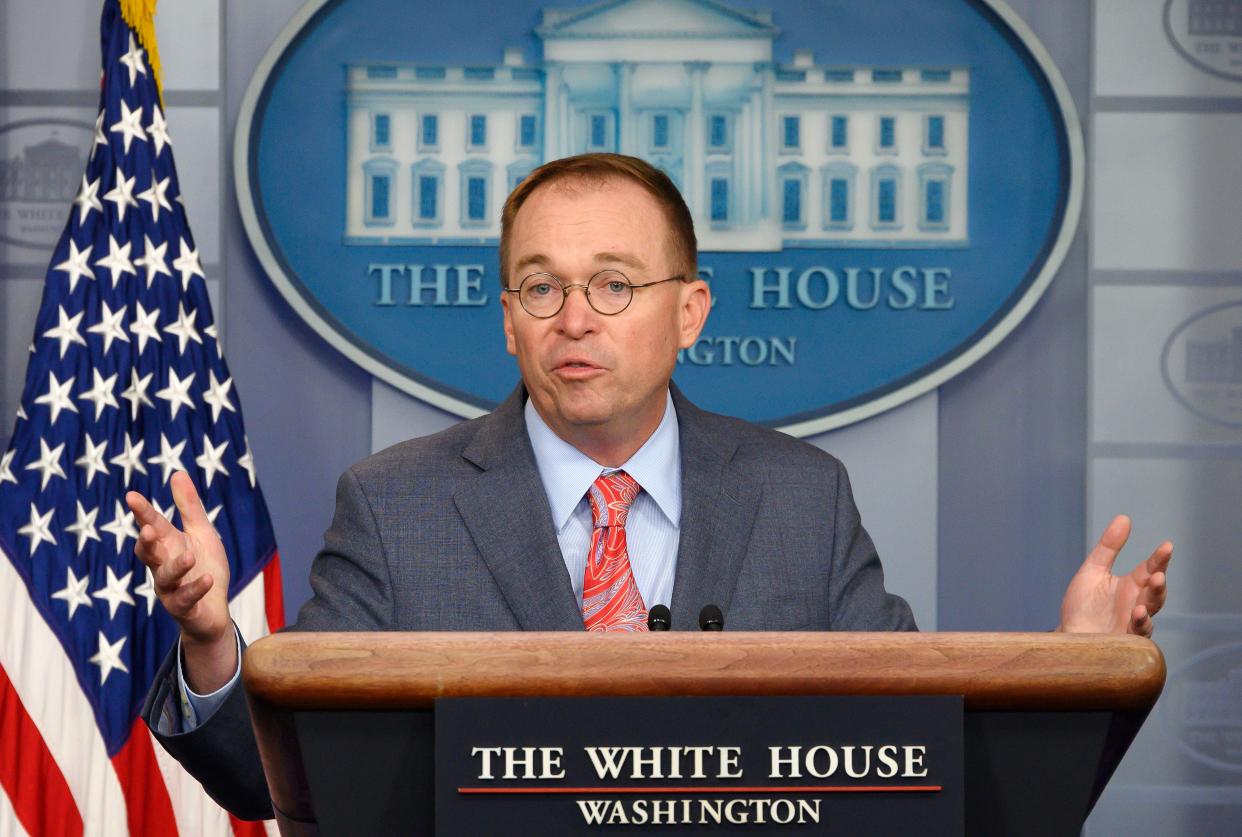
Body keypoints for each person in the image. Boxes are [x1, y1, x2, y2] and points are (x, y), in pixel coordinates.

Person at [126, 153, 1172, 820]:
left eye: (615, 284)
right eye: (541, 286)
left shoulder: (800, 498)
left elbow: (914, 766)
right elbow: (283, 780)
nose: (573, 317)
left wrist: (1075, 671)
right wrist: (217, 641)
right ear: (506, 319)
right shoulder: (396, 506)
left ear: (692, 311)